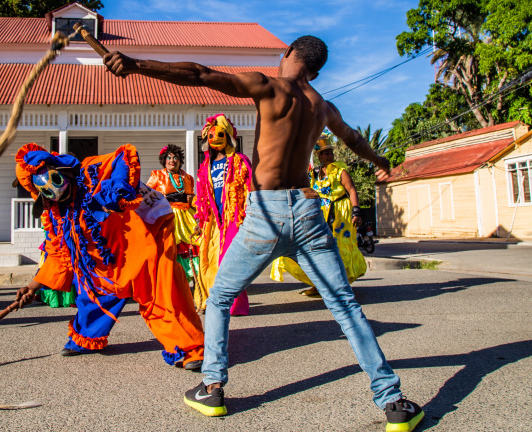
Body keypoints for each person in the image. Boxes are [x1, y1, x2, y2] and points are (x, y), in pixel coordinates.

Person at [104, 35, 424, 431]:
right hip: (307, 211)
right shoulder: (323, 106)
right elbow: (354, 139)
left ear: (287, 52)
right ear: (316, 72)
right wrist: (380, 160)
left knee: (219, 298)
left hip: (265, 214)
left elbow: (199, 74)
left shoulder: (268, 86)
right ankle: (392, 401)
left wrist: (136, 65)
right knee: (345, 306)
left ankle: (212, 388)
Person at [11, 143, 204, 369]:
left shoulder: (90, 171)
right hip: (108, 251)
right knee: (93, 287)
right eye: (44, 190)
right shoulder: (57, 214)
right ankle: (87, 336)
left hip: (145, 231)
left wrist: (118, 189)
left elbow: (124, 154)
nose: (54, 190)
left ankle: (191, 348)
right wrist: (32, 286)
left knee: (158, 288)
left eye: (54, 180)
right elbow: (59, 253)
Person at [270, 135, 367, 296]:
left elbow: (351, 190)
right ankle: (317, 285)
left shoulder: (340, 171)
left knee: (338, 249)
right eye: (326, 153)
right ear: (319, 156)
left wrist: (356, 211)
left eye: (331, 152)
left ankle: (340, 286)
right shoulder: (313, 174)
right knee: (313, 249)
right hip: (319, 215)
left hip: (339, 216)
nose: (329, 156)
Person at [192, 114, 252, 315]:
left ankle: (234, 305)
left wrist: (250, 215)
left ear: (228, 137)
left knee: (229, 259)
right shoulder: (205, 166)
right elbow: (202, 195)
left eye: (220, 134)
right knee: (207, 257)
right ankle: (209, 300)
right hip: (212, 219)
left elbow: (249, 187)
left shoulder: (239, 160)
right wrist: (200, 219)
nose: (215, 139)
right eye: (211, 136)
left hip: (234, 216)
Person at [145, 144, 200, 290]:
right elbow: (147, 196)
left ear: (180, 160)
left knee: (194, 246)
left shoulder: (187, 178)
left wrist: (197, 206)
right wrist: (159, 201)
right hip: (166, 216)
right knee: (169, 248)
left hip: (187, 217)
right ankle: (171, 284)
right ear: (164, 160)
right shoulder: (157, 175)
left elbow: (191, 198)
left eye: (175, 158)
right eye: (169, 158)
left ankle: (196, 284)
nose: (172, 160)